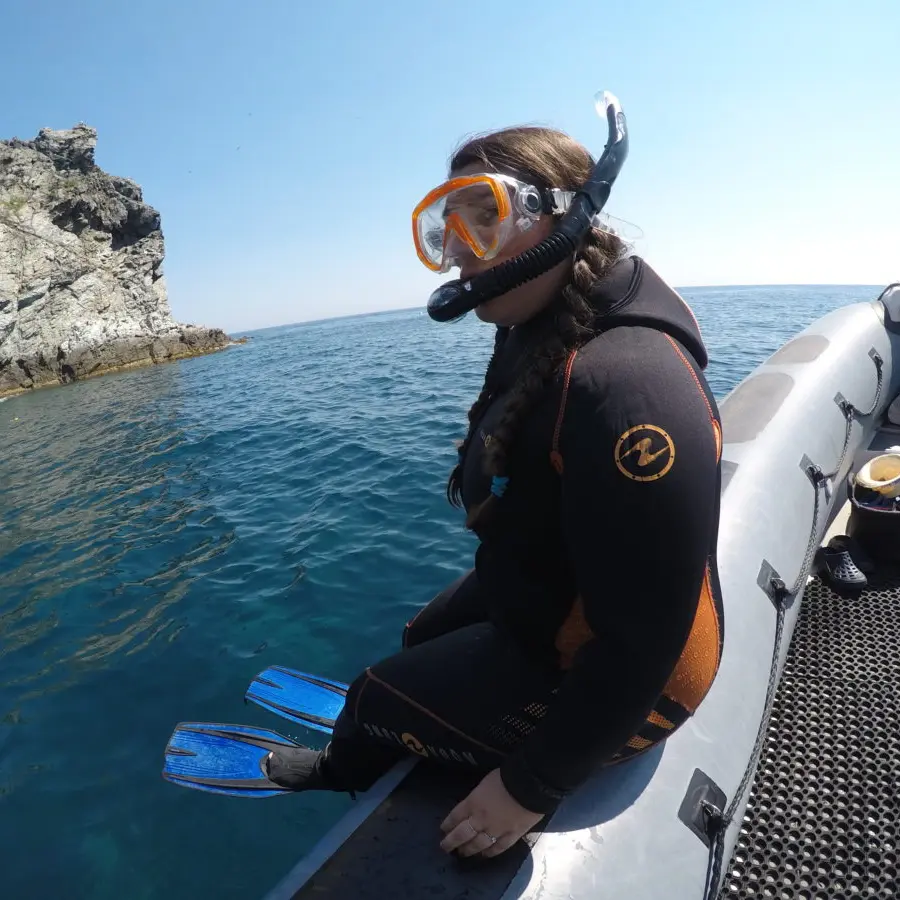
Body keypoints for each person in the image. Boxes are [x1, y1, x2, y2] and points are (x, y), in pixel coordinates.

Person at [264, 117, 725, 859]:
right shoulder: (538, 321)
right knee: (419, 634)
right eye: (448, 231)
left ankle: (344, 762)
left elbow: (643, 643)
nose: (459, 256)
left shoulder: (629, 390)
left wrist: (529, 788)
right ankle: (416, 712)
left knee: (375, 695)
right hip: (556, 587)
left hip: (640, 680)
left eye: (485, 219)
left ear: (560, 213)